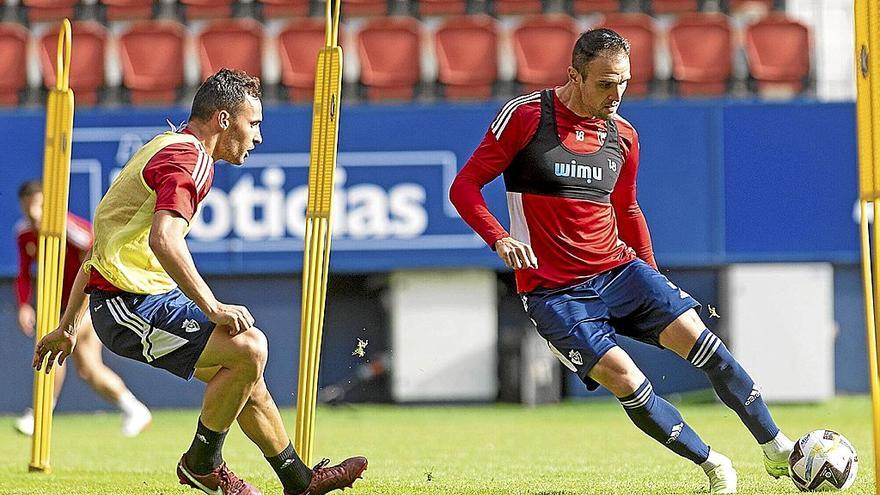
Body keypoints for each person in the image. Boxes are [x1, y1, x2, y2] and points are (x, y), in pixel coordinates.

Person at [449, 29, 793, 494]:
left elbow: (627, 209)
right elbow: (464, 187)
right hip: (554, 291)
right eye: (606, 83)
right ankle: (714, 466)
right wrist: (500, 239)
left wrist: (650, 272)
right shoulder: (527, 117)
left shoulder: (624, 135)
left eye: (625, 83)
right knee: (628, 379)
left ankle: (779, 449)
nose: (617, 95)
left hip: (619, 271)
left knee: (711, 349)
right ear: (574, 75)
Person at [33, 69, 367, 495]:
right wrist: (213, 306)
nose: (259, 137)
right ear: (224, 120)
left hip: (137, 298)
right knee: (251, 347)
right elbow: (164, 238)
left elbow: (99, 252)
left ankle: (299, 481)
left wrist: (67, 328)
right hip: (127, 306)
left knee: (247, 370)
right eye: (254, 123)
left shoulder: (167, 146)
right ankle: (202, 464)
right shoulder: (188, 159)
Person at [13, 180, 152, 437]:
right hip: (58, 305)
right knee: (88, 369)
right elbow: (23, 273)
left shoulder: (68, 227)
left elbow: (95, 249)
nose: (34, 214)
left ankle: (39, 416)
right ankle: (135, 408)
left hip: (85, 302)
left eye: (39, 207)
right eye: (29, 208)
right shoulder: (23, 233)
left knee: (53, 351)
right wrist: (23, 305)